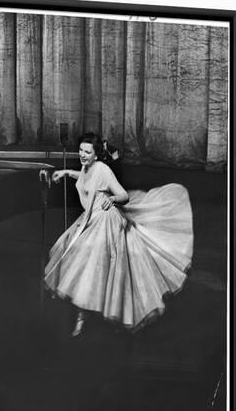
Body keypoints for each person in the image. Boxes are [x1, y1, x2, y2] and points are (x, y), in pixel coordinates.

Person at [44, 132, 193, 337]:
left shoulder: (103, 169)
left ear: (96, 155)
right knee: (81, 260)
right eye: (80, 150)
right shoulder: (88, 168)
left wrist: (112, 199)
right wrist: (67, 172)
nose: (83, 155)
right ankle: (84, 313)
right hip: (91, 219)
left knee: (94, 265)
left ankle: (90, 315)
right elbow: (86, 178)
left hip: (106, 220)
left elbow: (123, 195)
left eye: (87, 152)